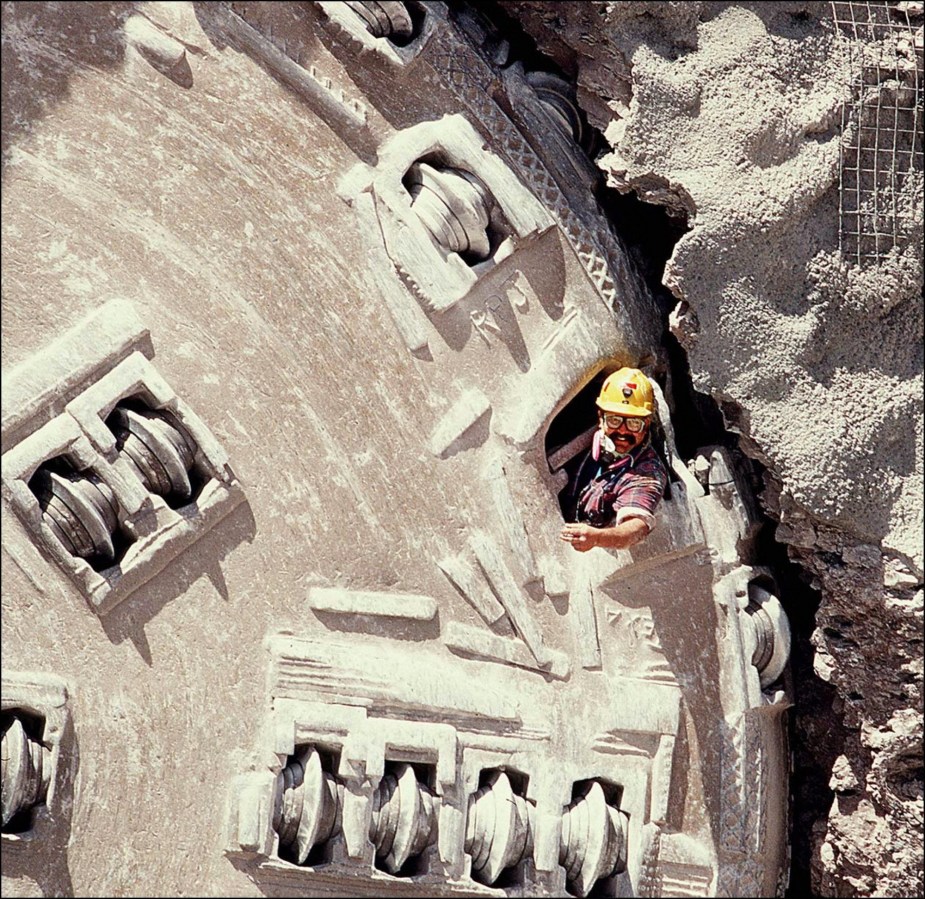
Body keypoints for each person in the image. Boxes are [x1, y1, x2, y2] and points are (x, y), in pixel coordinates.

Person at [560, 368, 668, 552]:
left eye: (634, 423)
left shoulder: (647, 473)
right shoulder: (578, 440)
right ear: (600, 418)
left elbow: (636, 527)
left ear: (647, 424)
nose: (623, 431)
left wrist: (596, 537)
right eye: (615, 420)